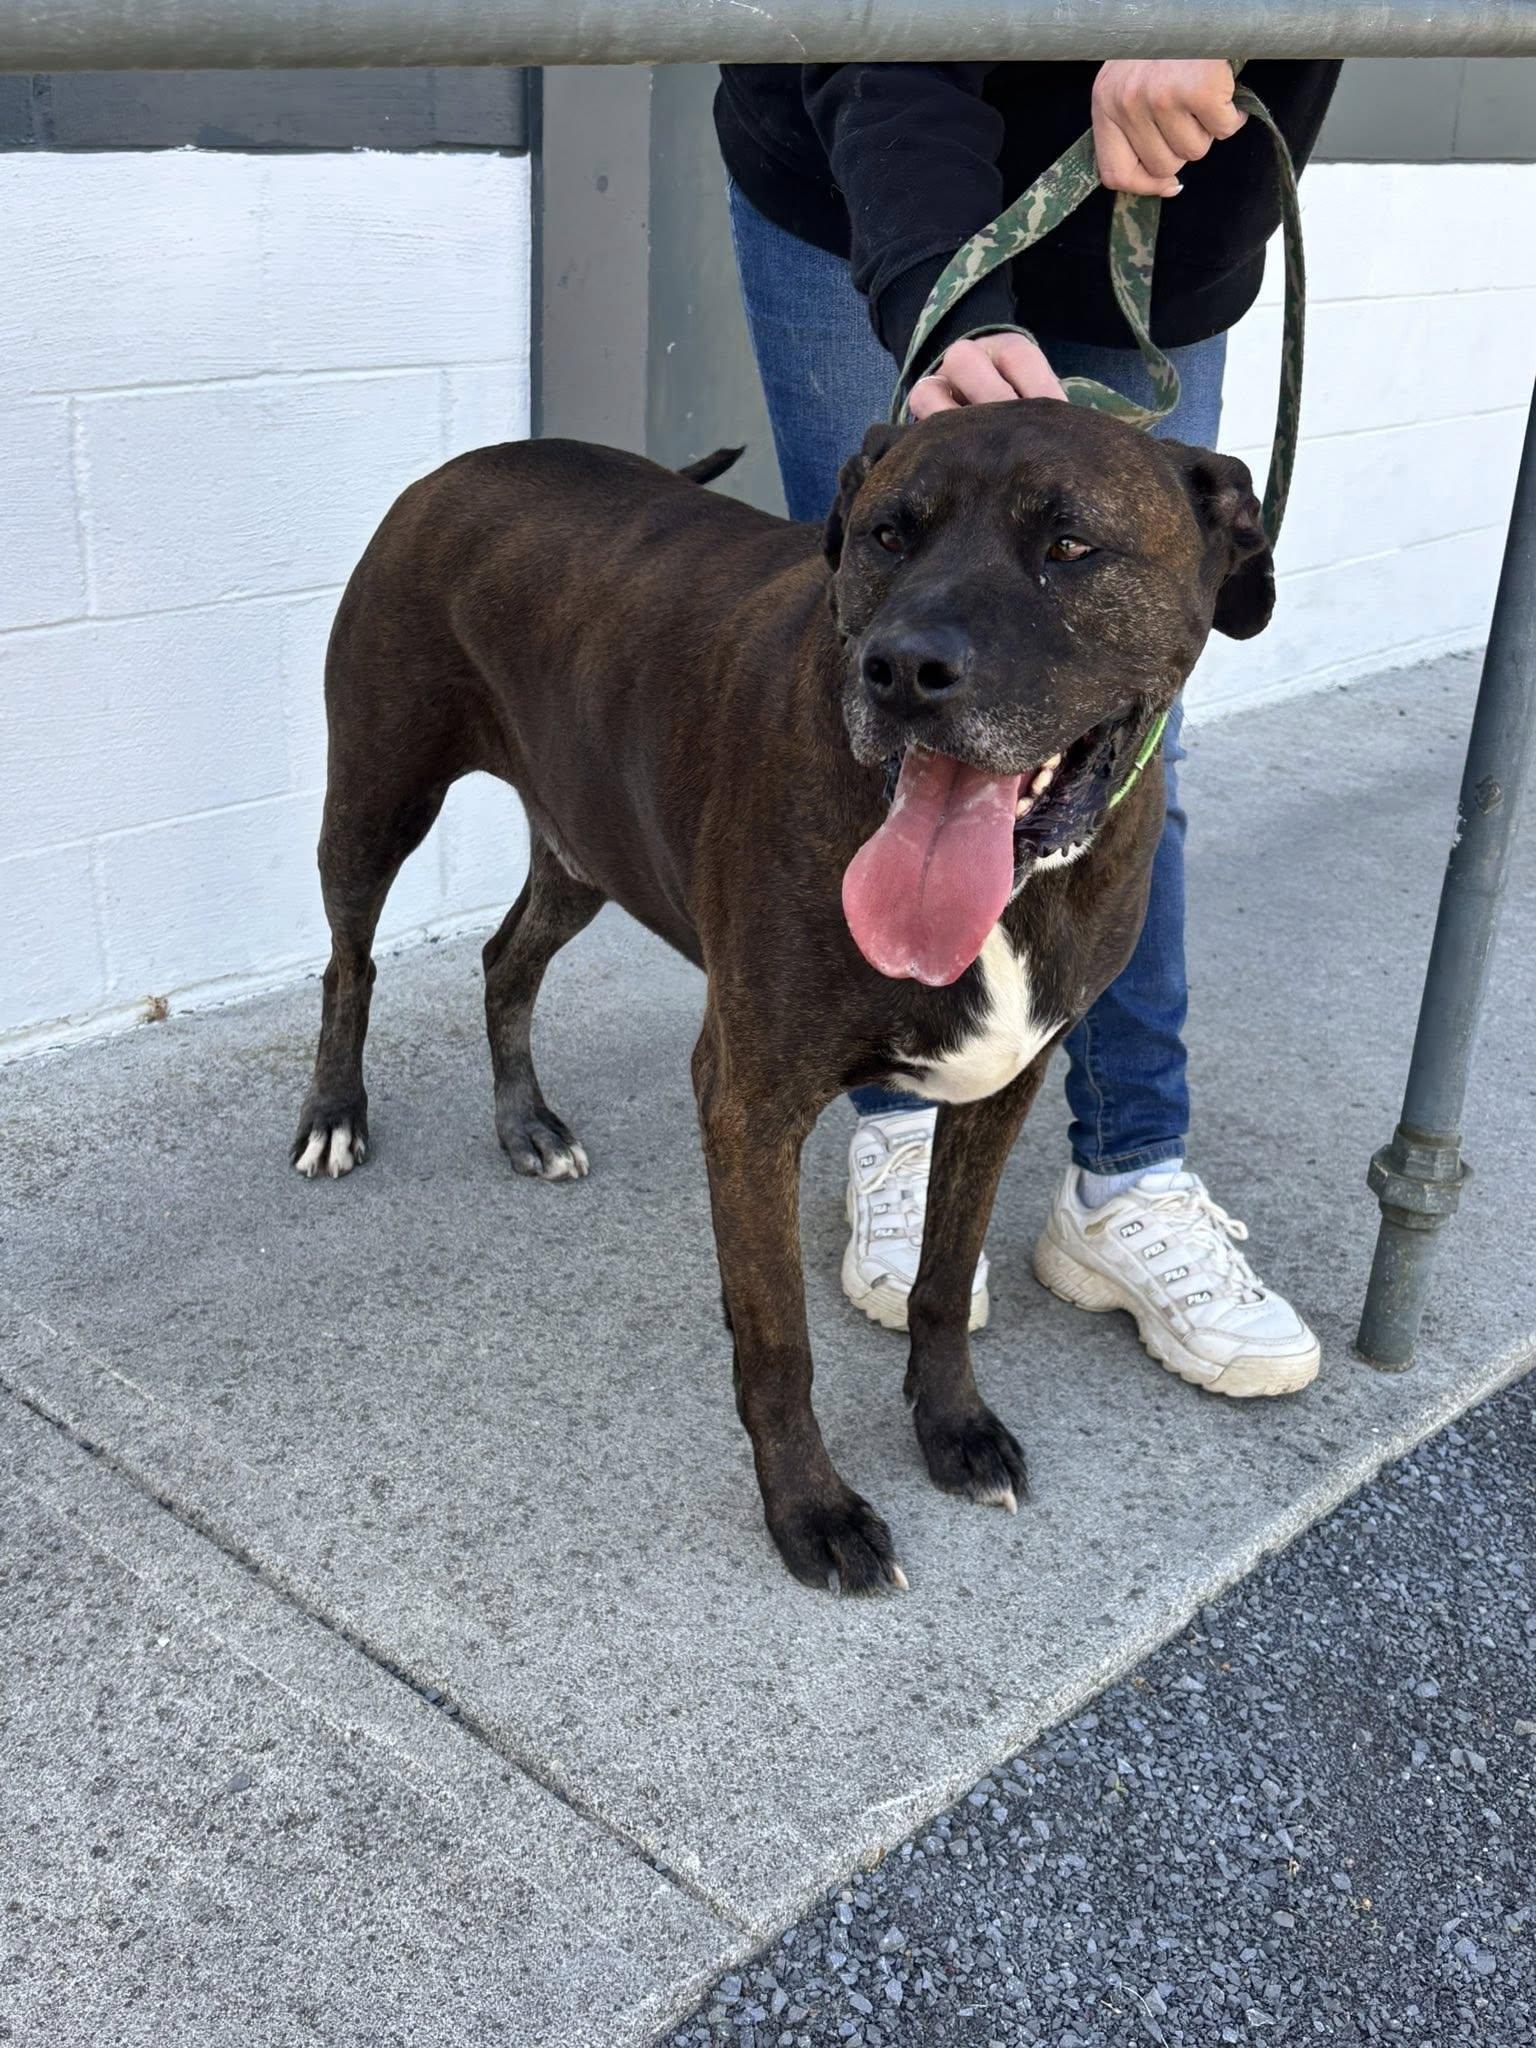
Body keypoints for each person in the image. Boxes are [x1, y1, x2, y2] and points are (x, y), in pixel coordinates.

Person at [714, 56, 1341, 1398]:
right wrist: (934, 296)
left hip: (1169, 194)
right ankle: (895, 1103)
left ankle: (1128, 1174)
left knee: (1096, 729)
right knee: (895, 675)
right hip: (865, 158)